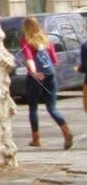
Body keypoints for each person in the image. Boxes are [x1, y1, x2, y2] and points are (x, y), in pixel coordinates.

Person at [20, 16, 73, 150]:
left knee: (33, 108)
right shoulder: (46, 40)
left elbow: (29, 58)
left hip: (35, 77)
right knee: (52, 108)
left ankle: (36, 139)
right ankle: (66, 131)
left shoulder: (26, 40)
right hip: (50, 76)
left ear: (25, 27)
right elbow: (54, 60)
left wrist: (34, 72)